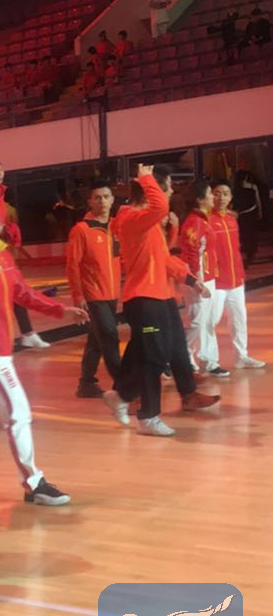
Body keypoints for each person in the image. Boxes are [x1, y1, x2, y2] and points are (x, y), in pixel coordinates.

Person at [0, 195, 88, 505]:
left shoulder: (1, 255)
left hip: (1, 349)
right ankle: (33, 482)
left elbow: (22, 293)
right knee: (18, 414)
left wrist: (59, 310)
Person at [104, 165, 218, 436]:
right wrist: (146, 177)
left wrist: (190, 279)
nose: (169, 193)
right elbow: (160, 207)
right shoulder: (131, 217)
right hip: (144, 299)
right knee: (154, 357)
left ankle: (120, 395)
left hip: (162, 297)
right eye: (166, 187)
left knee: (162, 349)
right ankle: (147, 415)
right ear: (151, 190)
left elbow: (163, 258)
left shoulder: (147, 222)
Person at [0, 160, 49, 349]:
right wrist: (1, 230)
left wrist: (9, 231)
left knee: (13, 289)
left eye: (1, 170)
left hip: (0, 249)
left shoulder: (0, 196)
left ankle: (27, 332)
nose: (0, 174)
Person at [65, 181, 121, 398]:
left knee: (97, 339)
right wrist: (77, 295)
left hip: (112, 293)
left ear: (112, 199)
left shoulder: (117, 226)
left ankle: (86, 383)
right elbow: (72, 265)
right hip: (94, 294)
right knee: (110, 336)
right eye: (97, 197)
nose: (102, 201)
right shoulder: (81, 230)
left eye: (106, 197)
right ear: (90, 201)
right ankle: (123, 386)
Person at [209, 179, 265, 370]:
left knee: (239, 319)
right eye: (217, 193)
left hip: (236, 281)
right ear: (210, 196)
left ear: (231, 197)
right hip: (216, 282)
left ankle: (241, 356)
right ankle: (202, 359)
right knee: (210, 321)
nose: (221, 198)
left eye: (225, 194)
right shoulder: (206, 220)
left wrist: (240, 273)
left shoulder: (232, 219)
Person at [180, 180, 223, 376]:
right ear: (200, 199)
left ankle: (208, 360)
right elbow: (192, 254)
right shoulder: (194, 223)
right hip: (198, 279)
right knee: (196, 322)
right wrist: (198, 282)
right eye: (210, 193)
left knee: (207, 322)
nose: (213, 197)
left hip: (208, 276)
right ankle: (183, 356)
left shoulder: (203, 220)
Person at [233, 169, 263, 267]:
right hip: (248, 214)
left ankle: (248, 255)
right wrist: (260, 212)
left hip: (244, 214)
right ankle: (249, 254)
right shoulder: (251, 187)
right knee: (249, 235)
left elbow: (234, 204)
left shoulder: (236, 188)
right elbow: (258, 201)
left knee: (246, 235)